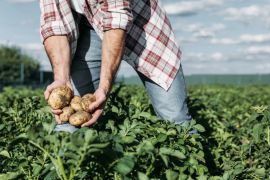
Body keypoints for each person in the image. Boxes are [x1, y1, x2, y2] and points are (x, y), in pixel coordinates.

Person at [40, 0, 192, 133]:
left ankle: (190, 159)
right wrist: (62, 79)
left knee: (175, 119)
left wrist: (104, 88)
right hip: (88, 25)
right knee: (71, 115)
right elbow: (54, 23)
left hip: (142, 25)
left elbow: (116, 17)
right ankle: (66, 163)